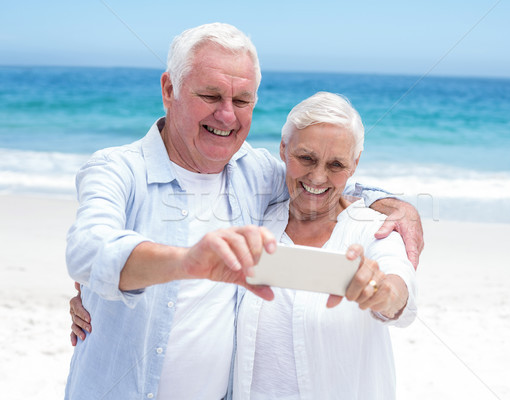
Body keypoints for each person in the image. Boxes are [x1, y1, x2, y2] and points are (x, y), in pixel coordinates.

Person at [65, 23, 423, 400]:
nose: (226, 116)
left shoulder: (256, 172)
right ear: (169, 90)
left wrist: (396, 205)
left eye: (241, 101)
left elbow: (320, 183)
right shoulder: (116, 169)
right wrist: (187, 262)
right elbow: (88, 249)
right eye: (210, 95)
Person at [231, 92, 417, 399]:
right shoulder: (258, 222)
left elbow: (400, 293)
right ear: (283, 149)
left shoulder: (373, 230)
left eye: (336, 164)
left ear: (355, 164)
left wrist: (380, 291)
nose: (317, 177)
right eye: (306, 158)